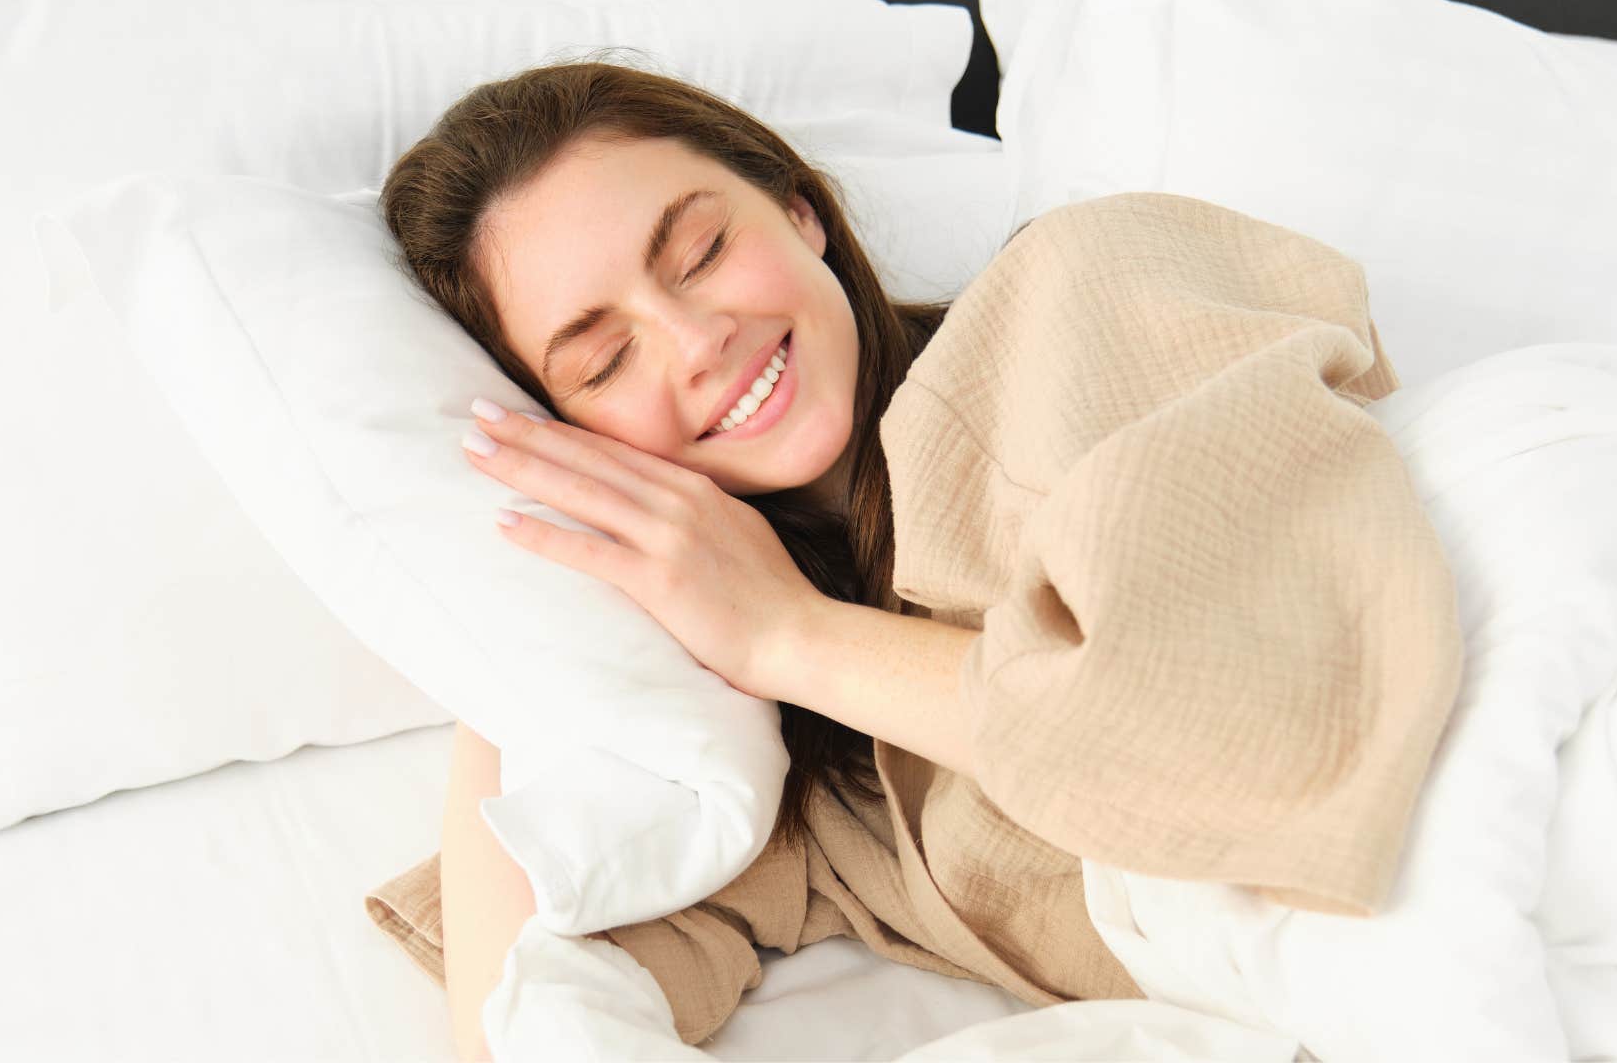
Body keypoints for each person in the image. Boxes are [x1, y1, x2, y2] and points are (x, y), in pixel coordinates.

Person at [372, 59, 1460, 1061]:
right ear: (568, 434)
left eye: (702, 252)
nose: (697, 339)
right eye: (606, 360)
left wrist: (789, 635)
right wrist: (508, 639)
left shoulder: (1083, 292)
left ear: (801, 212)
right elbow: (528, 1004)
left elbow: (1242, 736)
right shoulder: (803, 778)